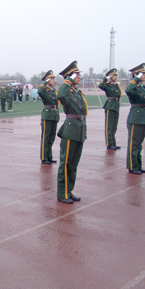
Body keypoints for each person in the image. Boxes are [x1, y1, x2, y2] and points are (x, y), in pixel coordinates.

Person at [56, 61, 88, 204]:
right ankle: (62, 193)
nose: (79, 77)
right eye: (76, 74)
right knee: (66, 163)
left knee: (74, 164)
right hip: (70, 130)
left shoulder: (77, 92)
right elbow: (60, 95)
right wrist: (68, 79)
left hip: (79, 129)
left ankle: (69, 190)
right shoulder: (67, 92)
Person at [125, 63, 145, 175]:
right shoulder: (133, 86)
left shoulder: (142, 87)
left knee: (139, 144)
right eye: (142, 73)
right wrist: (136, 77)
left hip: (143, 116)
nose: (144, 75)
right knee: (133, 144)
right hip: (136, 117)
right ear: (136, 74)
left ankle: (138, 165)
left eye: (144, 73)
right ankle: (132, 166)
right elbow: (128, 89)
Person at [37, 70, 60, 164]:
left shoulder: (54, 91)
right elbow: (39, 91)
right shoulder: (44, 90)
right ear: (47, 80)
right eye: (51, 78)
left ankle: (49, 156)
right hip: (47, 114)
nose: (53, 80)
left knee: (52, 137)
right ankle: (44, 157)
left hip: (54, 115)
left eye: (54, 78)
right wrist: (45, 82)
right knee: (45, 137)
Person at [98, 68, 122, 150]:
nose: (115, 77)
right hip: (110, 105)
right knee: (109, 126)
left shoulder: (116, 85)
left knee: (114, 126)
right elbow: (100, 86)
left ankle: (113, 143)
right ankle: (109, 144)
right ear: (110, 76)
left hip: (116, 105)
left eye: (116, 75)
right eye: (114, 75)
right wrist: (106, 78)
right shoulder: (107, 84)